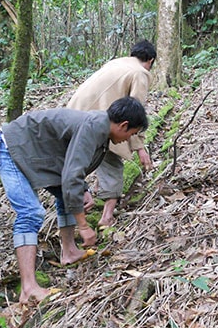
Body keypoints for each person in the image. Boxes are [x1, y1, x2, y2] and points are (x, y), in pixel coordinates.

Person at [0, 97, 148, 304]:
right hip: (10, 147)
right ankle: (28, 289)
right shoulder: (94, 127)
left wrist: (83, 189)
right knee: (30, 213)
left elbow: (72, 166)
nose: (128, 139)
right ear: (123, 125)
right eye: (131, 134)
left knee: (71, 194)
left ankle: (70, 251)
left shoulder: (100, 129)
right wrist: (83, 226)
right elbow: (71, 176)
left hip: (35, 150)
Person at [67, 39, 156, 228]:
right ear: (150, 60)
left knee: (86, 160)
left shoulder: (115, 63)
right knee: (113, 162)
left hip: (73, 114)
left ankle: (89, 197)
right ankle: (106, 216)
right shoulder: (140, 72)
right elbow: (136, 112)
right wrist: (140, 148)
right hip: (98, 118)